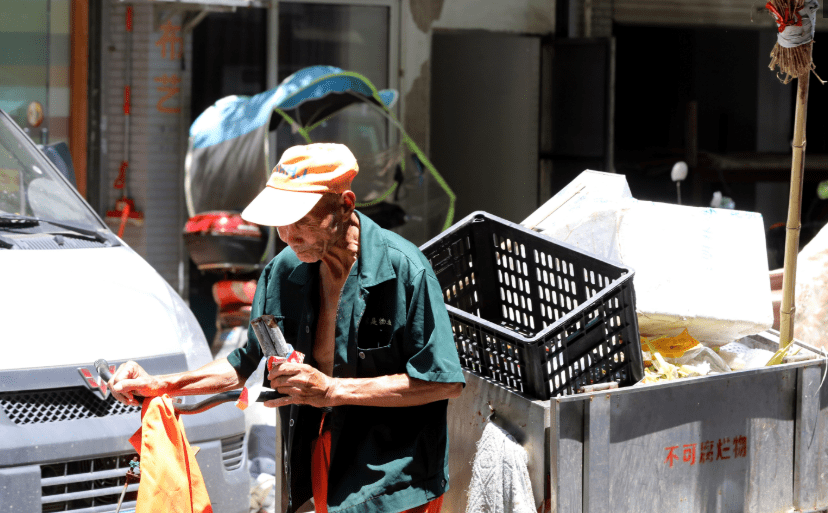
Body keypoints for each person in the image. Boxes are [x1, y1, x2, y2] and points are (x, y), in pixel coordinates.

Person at [109, 143, 465, 513]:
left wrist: (331, 389)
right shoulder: (282, 272)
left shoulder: (405, 270)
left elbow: (444, 382)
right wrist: (162, 384)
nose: (288, 236)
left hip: (395, 479)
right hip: (322, 461)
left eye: (301, 221)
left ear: (345, 205)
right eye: (280, 222)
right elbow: (246, 363)